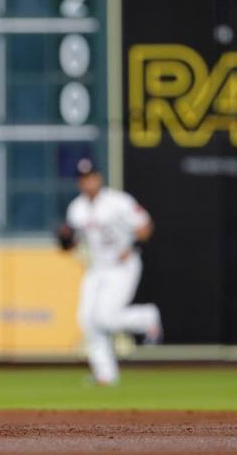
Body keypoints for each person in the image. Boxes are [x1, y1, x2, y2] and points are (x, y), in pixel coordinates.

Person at [58, 158, 163, 385]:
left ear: (99, 178)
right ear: (79, 182)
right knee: (86, 319)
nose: (88, 182)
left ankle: (147, 317)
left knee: (106, 317)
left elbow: (145, 225)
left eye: (91, 177)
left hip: (122, 266)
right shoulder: (76, 208)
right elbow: (72, 244)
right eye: (83, 179)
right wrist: (65, 240)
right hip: (96, 269)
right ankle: (105, 374)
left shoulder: (118, 201)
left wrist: (132, 246)